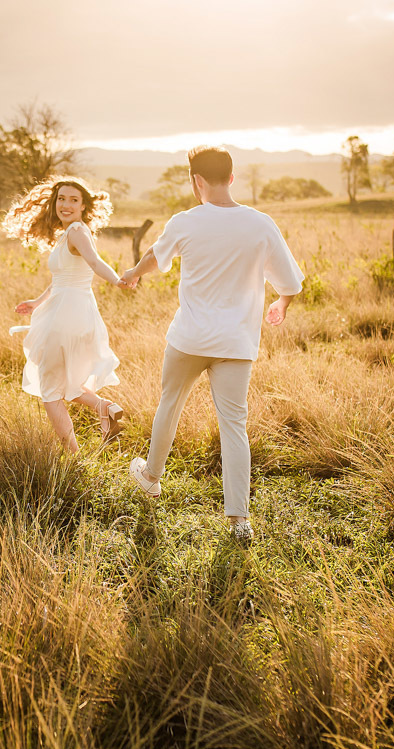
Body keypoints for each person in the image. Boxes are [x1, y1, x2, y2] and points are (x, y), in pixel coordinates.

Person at [119, 145, 303, 544]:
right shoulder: (260, 224)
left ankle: (150, 478)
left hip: (189, 338)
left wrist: (134, 271)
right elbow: (289, 281)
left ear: (195, 181)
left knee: (170, 404)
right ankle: (239, 520)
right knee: (234, 425)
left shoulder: (186, 221)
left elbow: (155, 255)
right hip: (236, 343)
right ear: (232, 178)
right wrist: (281, 302)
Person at [4, 176, 130, 453]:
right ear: (55, 202)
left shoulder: (75, 231)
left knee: (50, 390)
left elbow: (95, 263)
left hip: (67, 315)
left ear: (84, 206)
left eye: (74, 200)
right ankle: (105, 407)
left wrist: (117, 280)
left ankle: (73, 458)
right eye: (62, 198)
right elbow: (61, 278)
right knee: (63, 382)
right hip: (71, 311)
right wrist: (37, 302)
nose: (66, 204)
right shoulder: (70, 233)